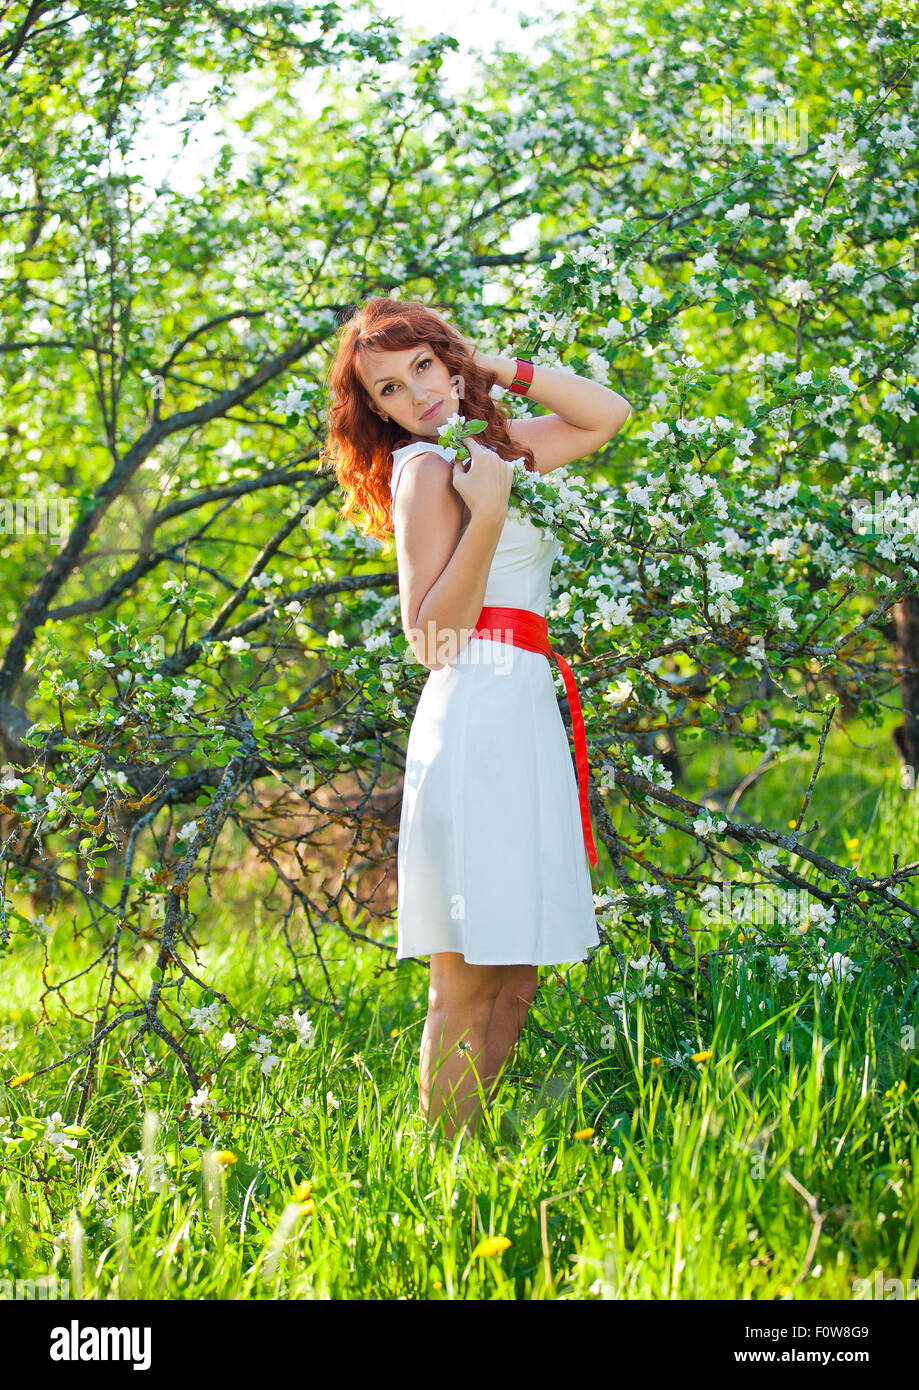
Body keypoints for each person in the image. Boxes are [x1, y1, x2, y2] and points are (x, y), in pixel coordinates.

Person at [322, 296, 631, 1141]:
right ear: (378, 412)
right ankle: (436, 1167)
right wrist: (487, 518)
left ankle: (474, 1156)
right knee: (467, 972)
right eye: (389, 388)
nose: (416, 393)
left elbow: (609, 413)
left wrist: (497, 371)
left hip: (525, 708)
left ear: (445, 359)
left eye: (423, 365)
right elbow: (430, 638)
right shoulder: (425, 472)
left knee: (519, 965)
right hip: (473, 712)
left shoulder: (501, 448)